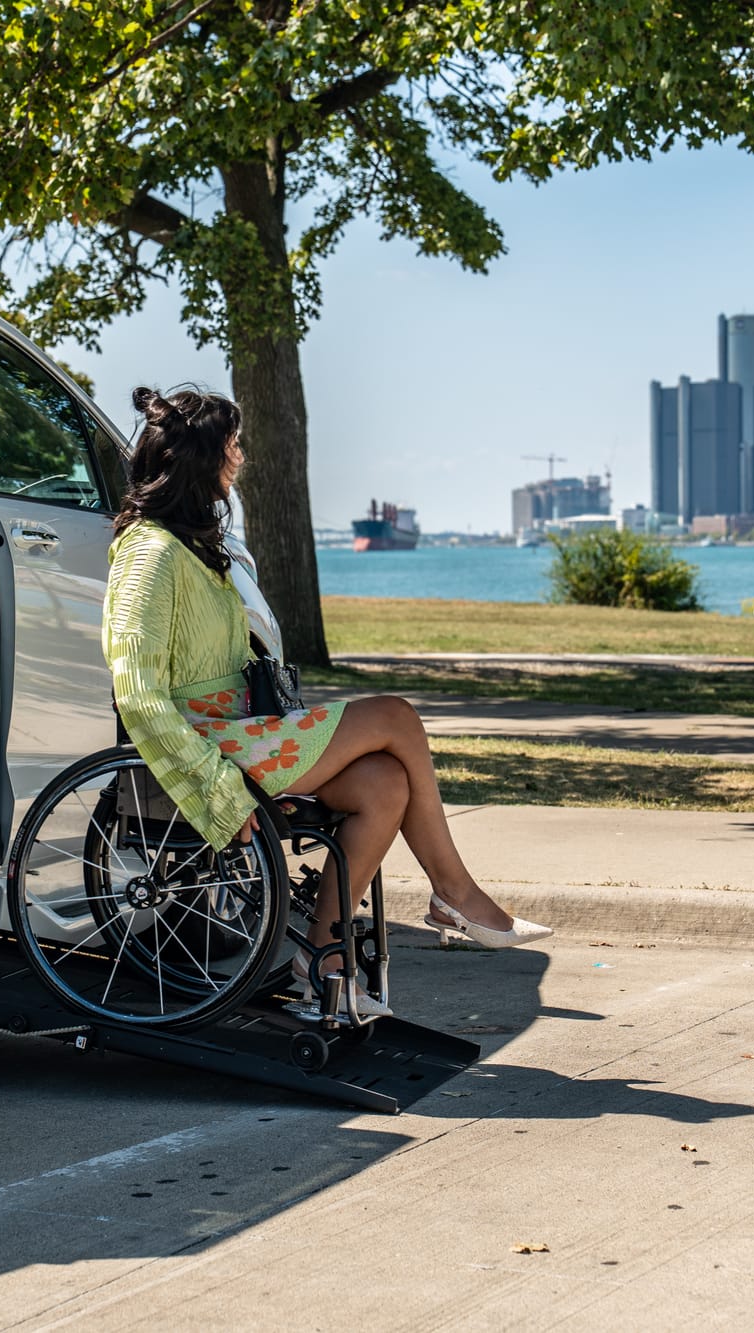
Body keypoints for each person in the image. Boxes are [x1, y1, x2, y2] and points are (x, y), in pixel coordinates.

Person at [102, 385, 551, 1017]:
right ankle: (453, 891)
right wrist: (215, 787)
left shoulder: (194, 548)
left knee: (384, 783)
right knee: (396, 716)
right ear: (202, 458)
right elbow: (137, 692)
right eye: (232, 444)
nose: (240, 456)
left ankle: (324, 959)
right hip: (207, 750)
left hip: (244, 732)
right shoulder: (148, 552)